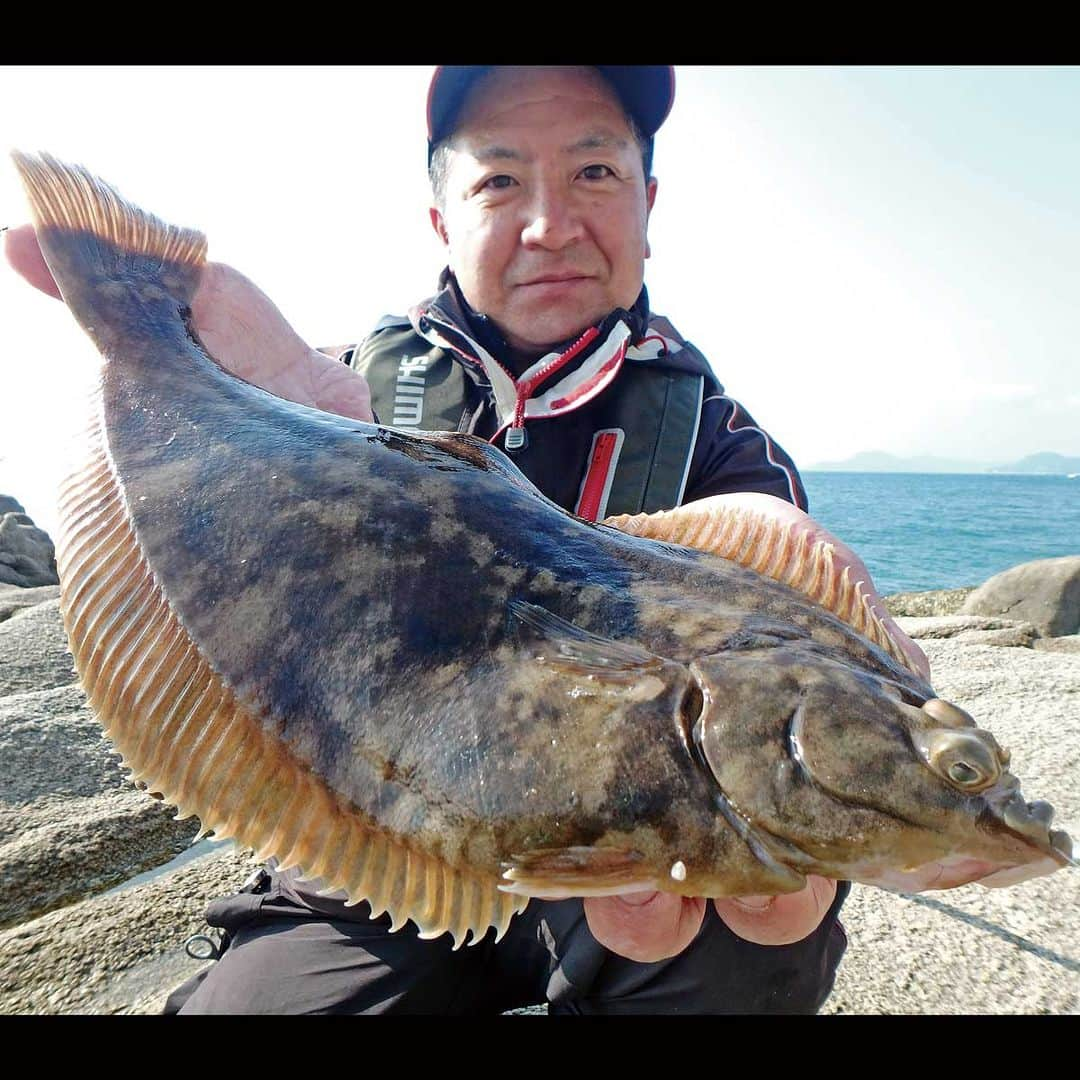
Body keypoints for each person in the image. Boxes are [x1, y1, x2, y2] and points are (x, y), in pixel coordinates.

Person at [5, 65, 934, 1014]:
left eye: (594, 174)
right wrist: (168, 357)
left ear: (648, 202)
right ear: (442, 218)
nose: (550, 224)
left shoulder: (727, 450)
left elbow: (771, 643)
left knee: (746, 936)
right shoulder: (336, 388)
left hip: (638, 859)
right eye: (498, 180)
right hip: (368, 841)